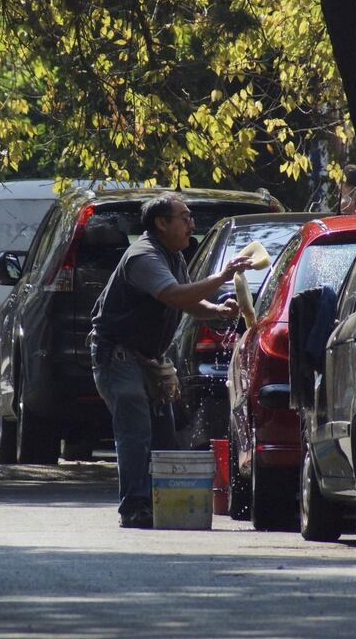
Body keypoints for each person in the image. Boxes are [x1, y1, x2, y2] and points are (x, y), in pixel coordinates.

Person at [90, 193, 250, 529]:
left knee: (165, 436)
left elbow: (187, 299)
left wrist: (217, 310)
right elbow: (172, 295)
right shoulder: (144, 255)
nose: (191, 224)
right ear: (161, 223)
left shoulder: (173, 256)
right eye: (185, 217)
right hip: (118, 357)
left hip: (148, 360)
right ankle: (133, 507)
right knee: (135, 429)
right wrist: (223, 276)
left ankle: (162, 504)